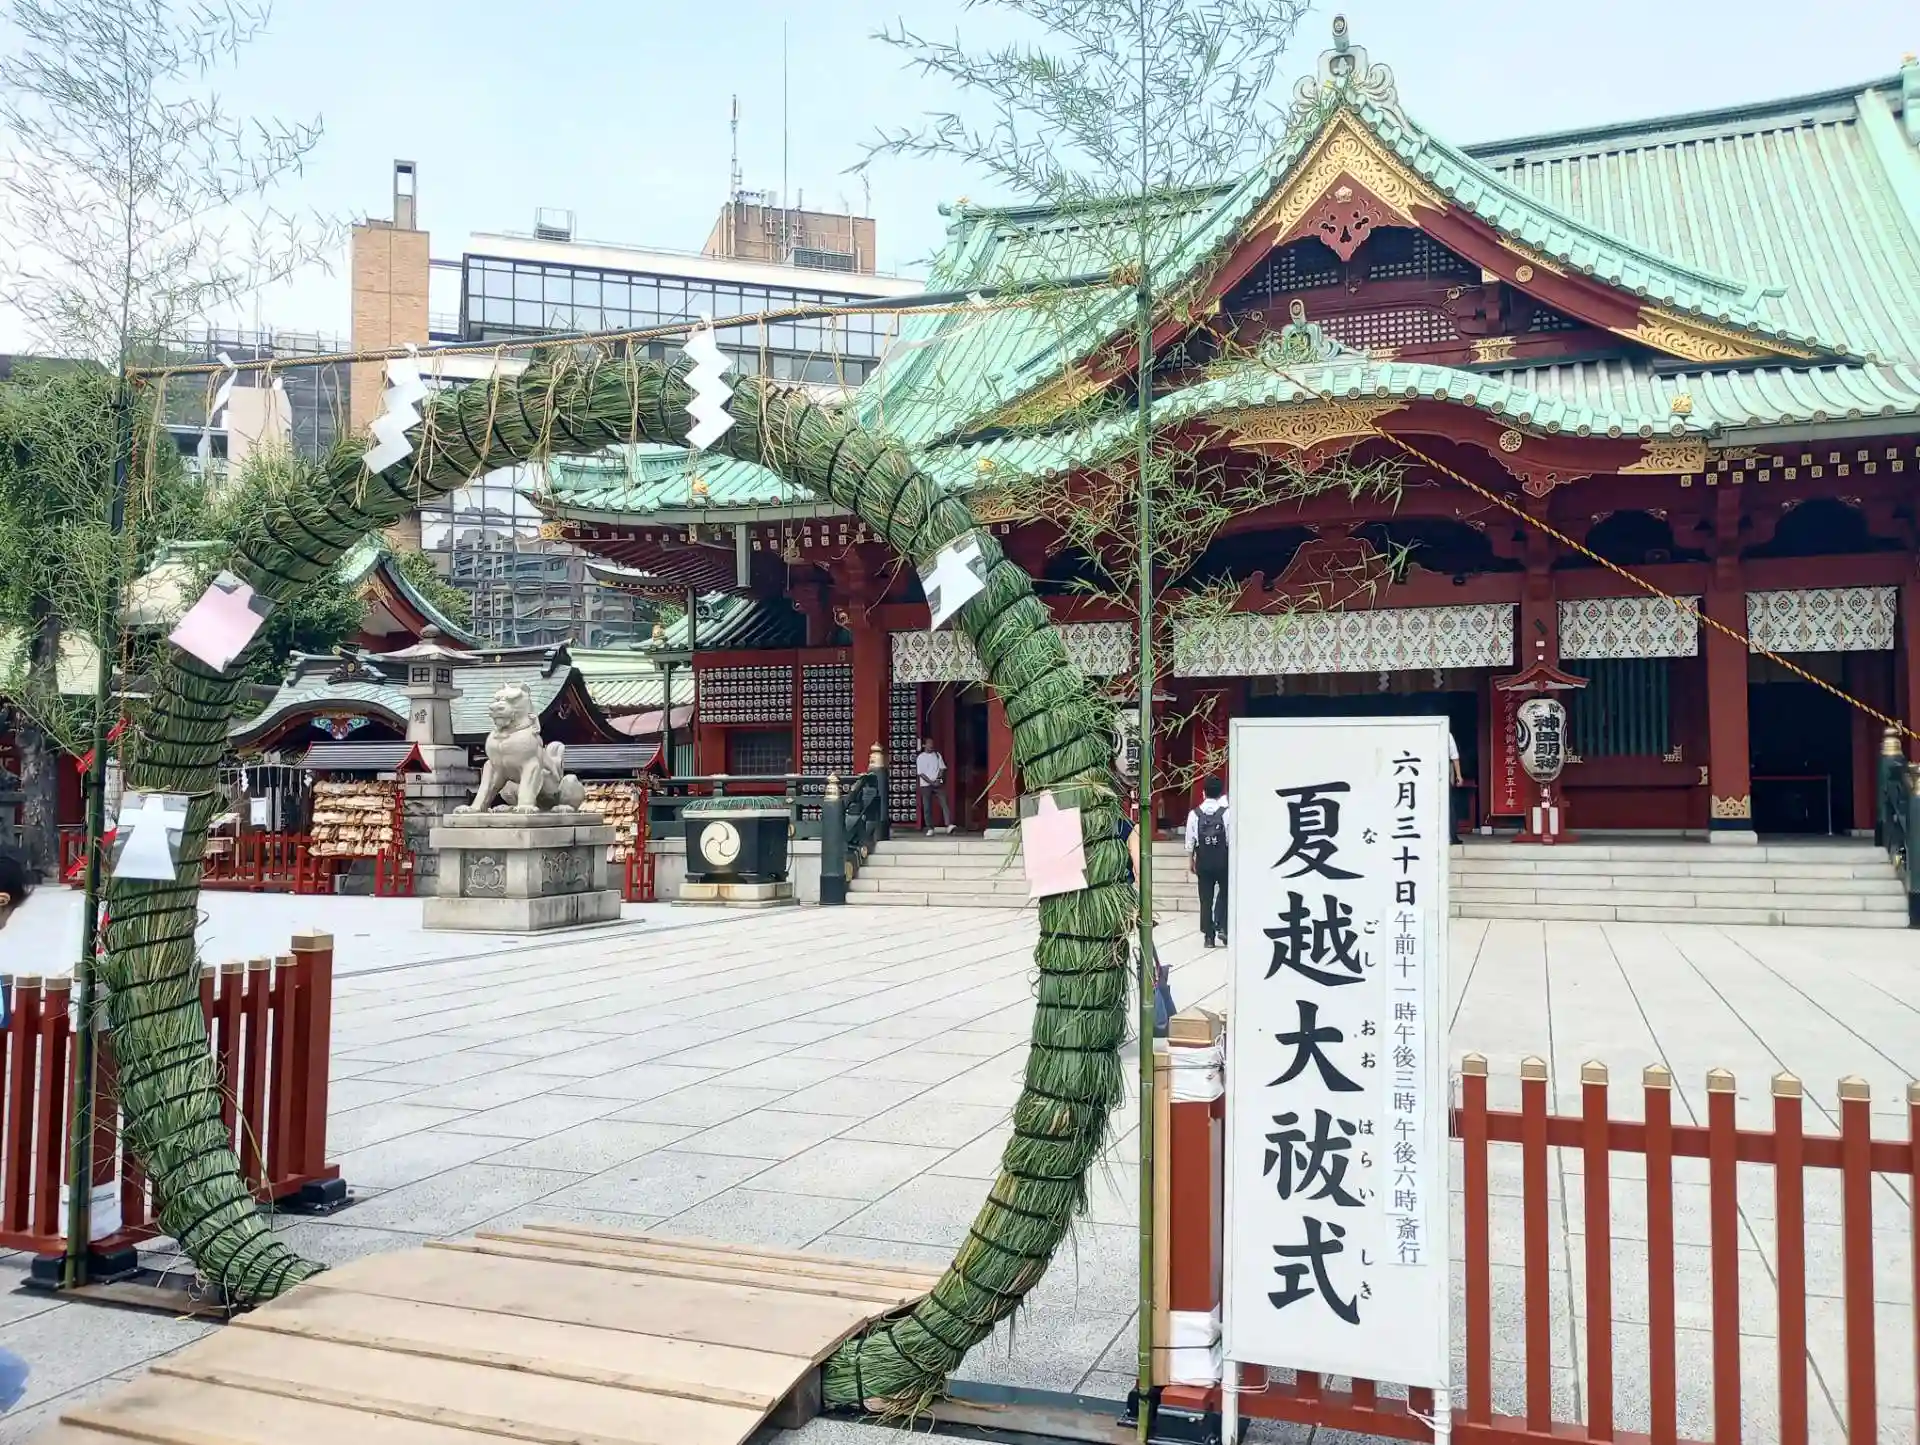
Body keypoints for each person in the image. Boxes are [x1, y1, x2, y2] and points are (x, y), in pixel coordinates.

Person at [1117, 804, 1177, 1036]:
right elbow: (1140, 869)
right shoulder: (1127, 827)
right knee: (1114, 962)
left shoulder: (1077, 822)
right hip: (1119, 902)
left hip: (1084, 904)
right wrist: (1144, 907)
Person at [1184, 776, 1231, 948]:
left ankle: (1208, 937)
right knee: (1226, 894)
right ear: (1220, 794)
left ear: (1203, 793)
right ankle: (1223, 926)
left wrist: (1190, 860)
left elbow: (1190, 840)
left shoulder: (1194, 814)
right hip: (1223, 861)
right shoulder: (1227, 813)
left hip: (1203, 861)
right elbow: (1230, 839)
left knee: (1206, 899)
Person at [915, 736, 953, 833]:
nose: (931, 745)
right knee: (927, 807)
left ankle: (949, 824)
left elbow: (942, 768)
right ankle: (930, 828)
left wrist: (938, 779)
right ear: (924, 745)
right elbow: (921, 773)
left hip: (938, 783)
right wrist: (931, 782)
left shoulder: (937, 755)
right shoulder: (920, 757)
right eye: (928, 743)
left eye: (932, 743)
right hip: (926, 785)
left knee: (944, 803)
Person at [1448, 721, 1465, 844]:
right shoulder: (1447, 735)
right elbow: (1454, 757)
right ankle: (1452, 836)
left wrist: (1458, 775)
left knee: (1449, 806)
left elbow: (1454, 756)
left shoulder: (1447, 735)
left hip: (1441, 776)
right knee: (1449, 806)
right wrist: (1458, 776)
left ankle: (1452, 835)